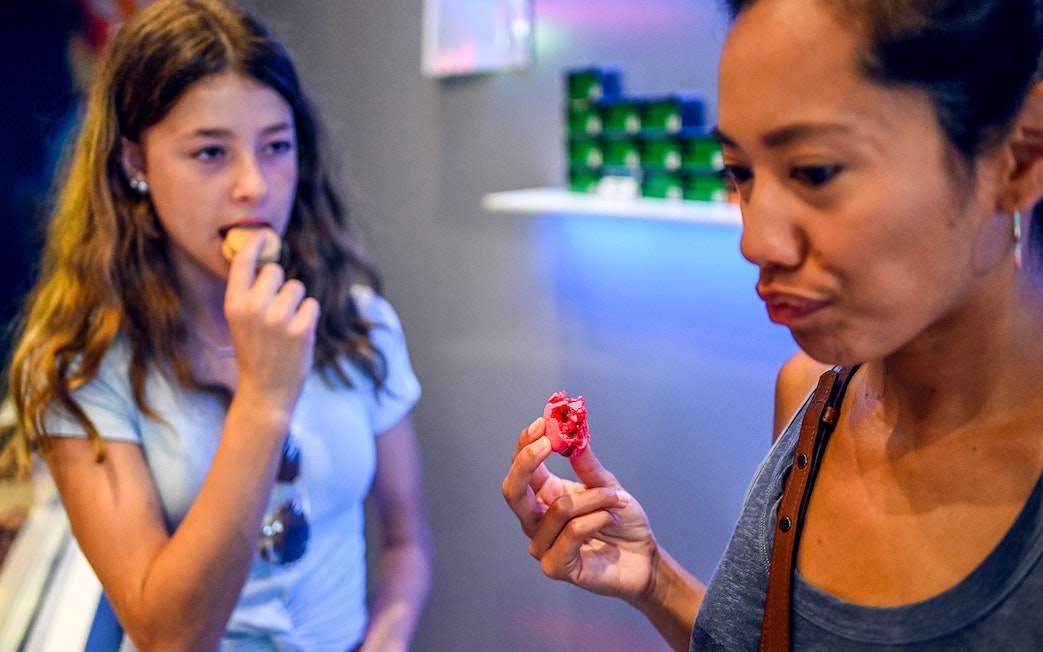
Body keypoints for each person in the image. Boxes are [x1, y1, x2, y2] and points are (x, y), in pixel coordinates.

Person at [503, 0, 1043, 648]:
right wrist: (654, 581)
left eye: (814, 171)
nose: (756, 241)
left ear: (1017, 158)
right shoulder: (810, 397)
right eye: (739, 173)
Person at [7, 1, 431, 650]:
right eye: (210, 152)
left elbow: (406, 544)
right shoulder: (80, 366)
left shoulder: (356, 320)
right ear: (134, 164)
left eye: (276, 146)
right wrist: (263, 398)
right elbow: (169, 634)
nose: (254, 186)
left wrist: (389, 633)